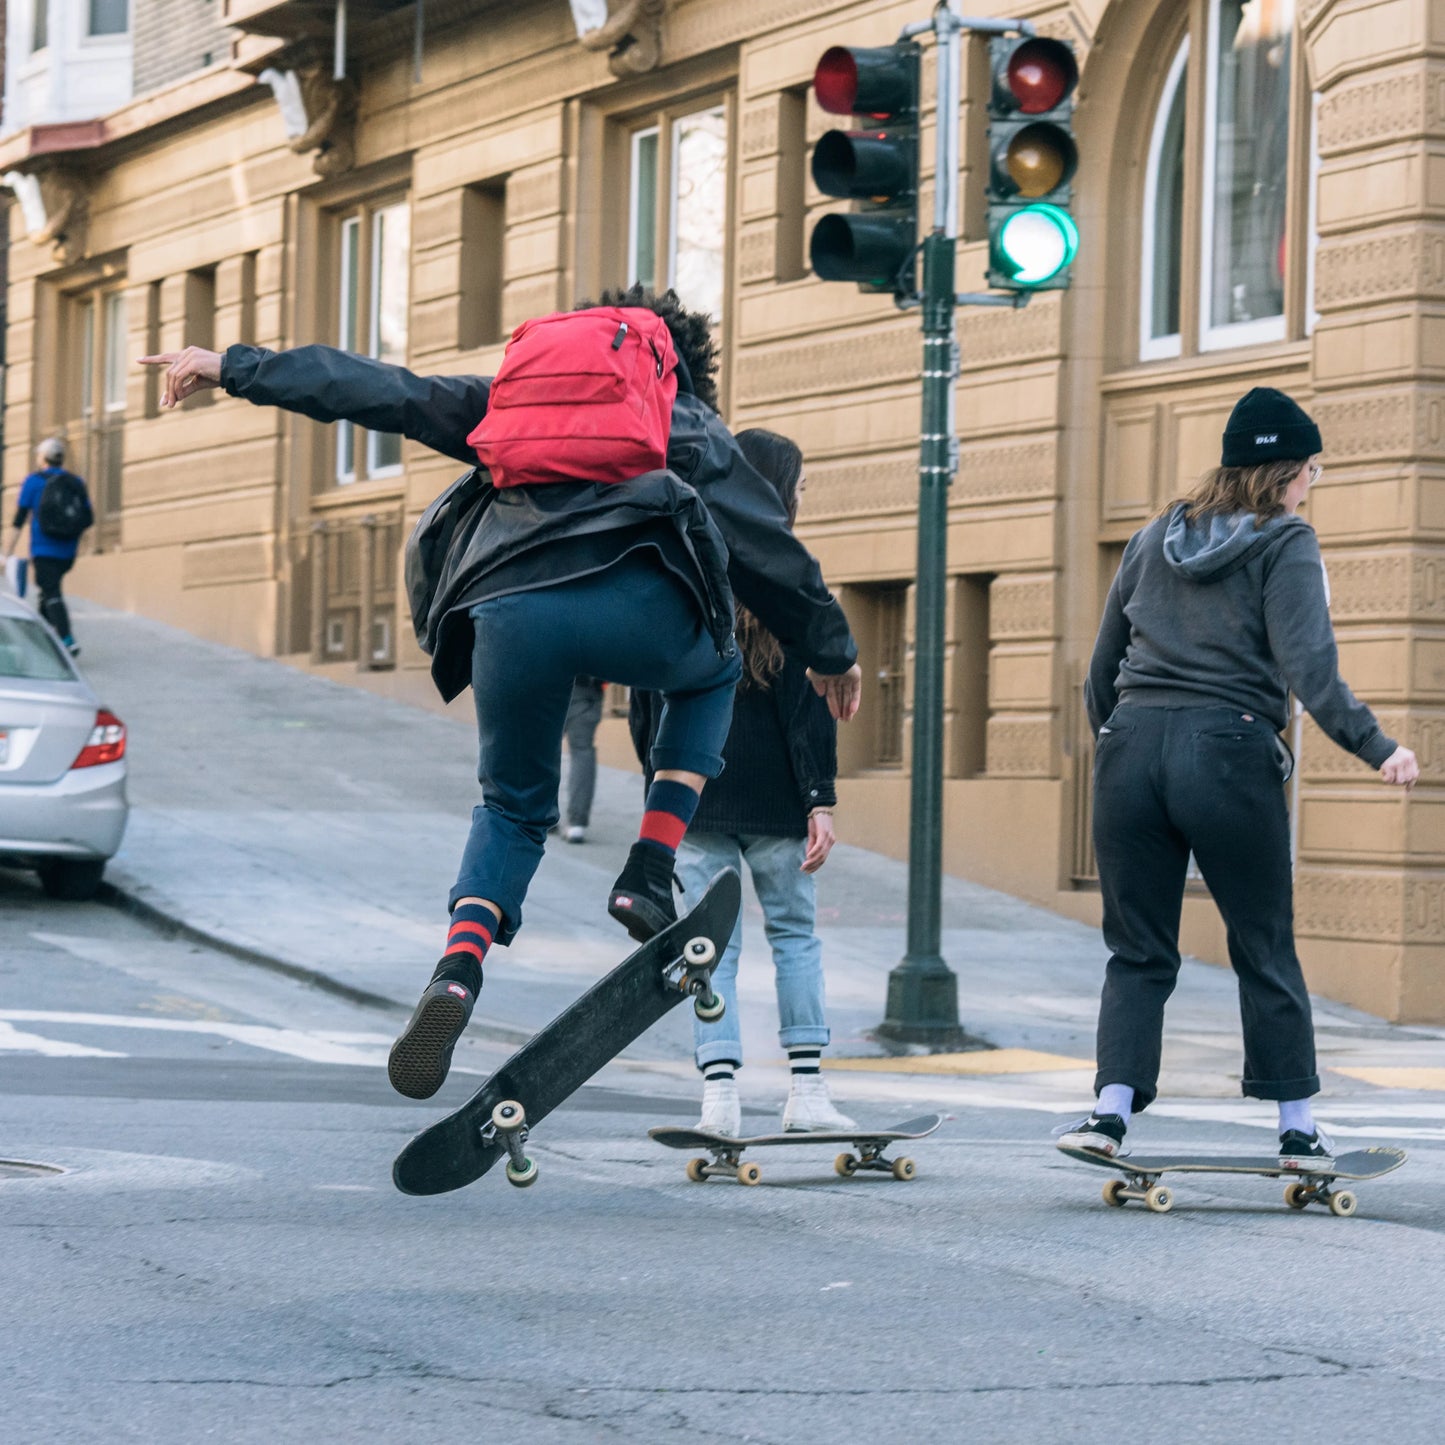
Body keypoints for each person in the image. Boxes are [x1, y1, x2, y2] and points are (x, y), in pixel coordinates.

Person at [140, 286, 863, 1103]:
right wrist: (829, 651)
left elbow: (382, 390)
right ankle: (649, 866)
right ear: (676, 367)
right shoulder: (686, 421)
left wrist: (234, 367)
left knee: (512, 805)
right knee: (718, 664)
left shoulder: (506, 406)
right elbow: (770, 551)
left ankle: (458, 965)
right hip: (640, 619)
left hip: (509, 617)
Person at [1060, 387, 1420, 1168]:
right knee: (1261, 942)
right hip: (1226, 748)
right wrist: (1376, 745)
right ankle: (1296, 1128)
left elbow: (1100, 666)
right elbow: (1308, 667)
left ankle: (1106, 1114)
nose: (1308, 488)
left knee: (1137, 949)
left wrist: (1119, 740)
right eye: (1310, 473)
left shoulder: (1154, 534)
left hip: (1130, 748)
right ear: (1286, 472)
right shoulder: (1285, 541)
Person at [632, 429, 854, 1136]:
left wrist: (659, 787)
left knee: (709, 947)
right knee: (794, 936)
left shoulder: (682, 571)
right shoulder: (792, 578)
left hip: (696, 792)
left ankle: (718, 1097)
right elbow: (810, 701)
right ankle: (808, 1093)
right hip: (779, 800)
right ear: (778, 492)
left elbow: (648, 695)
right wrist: (820, 797)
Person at [5, 438, 93, 655]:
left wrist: (5, 554)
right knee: (46, 592)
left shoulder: (33, 482)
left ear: (43, 458)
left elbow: (18, 520)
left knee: (51, 592)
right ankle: (42, 645)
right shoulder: (76, 482)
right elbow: (87, 516)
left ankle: (67, 639)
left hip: (44, 549)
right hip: (68, 552)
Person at [561, 676, 605, 843]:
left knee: (543, 746)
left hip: (552, 680)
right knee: (582, 751)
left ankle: (542, 813)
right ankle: (576, 825)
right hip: (589, 688)